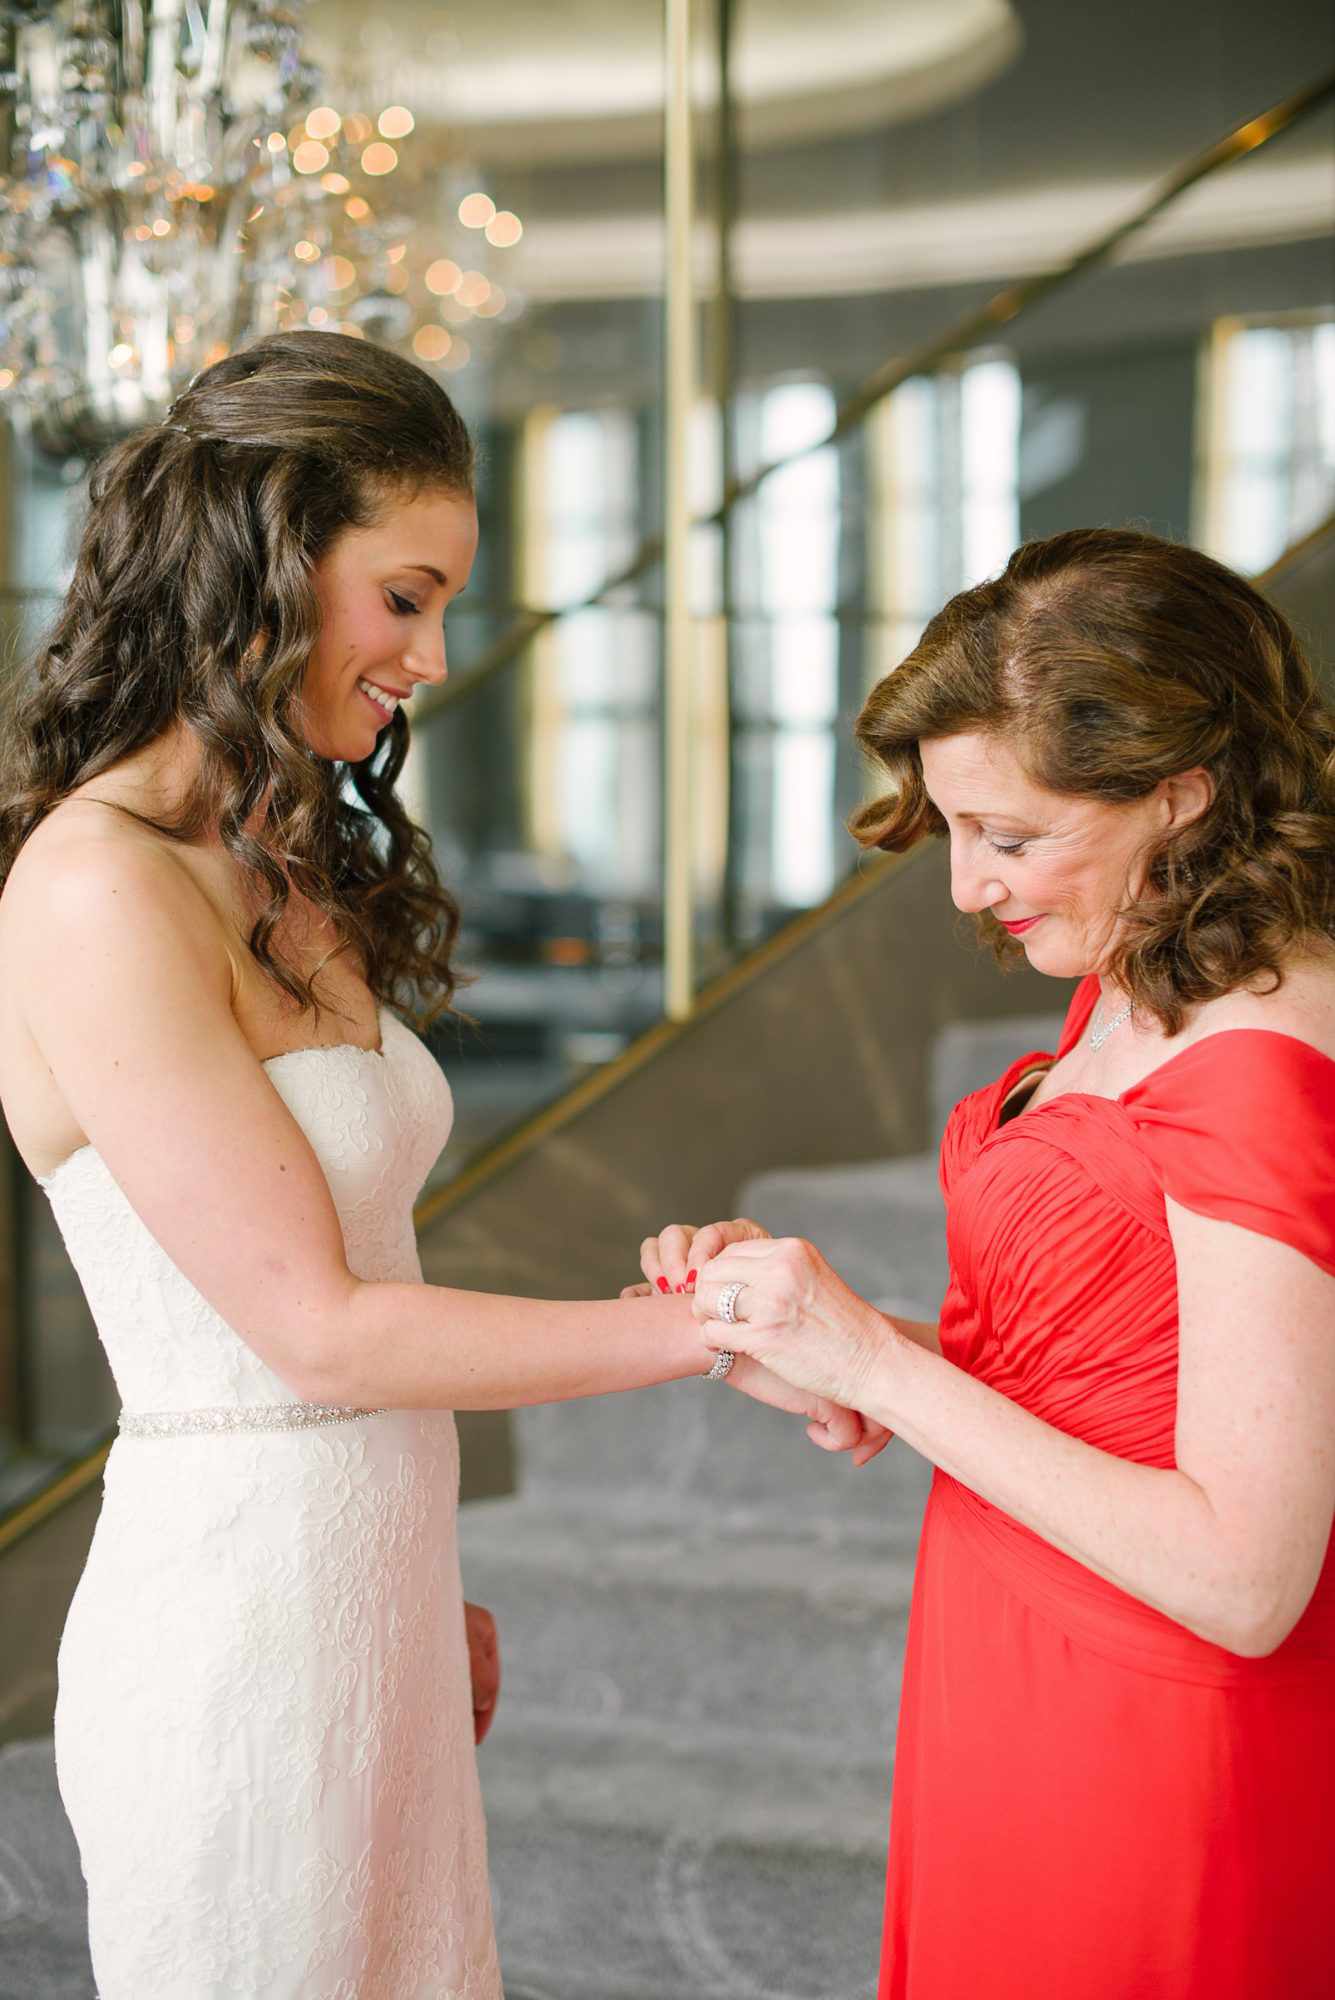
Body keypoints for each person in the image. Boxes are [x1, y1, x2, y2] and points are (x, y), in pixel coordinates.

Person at [0, 329, 889, 1999]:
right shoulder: (92, 885)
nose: (429, 652)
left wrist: (419, 1587)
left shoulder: (275, 857)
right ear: (263, 560)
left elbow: (366, 1295)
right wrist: (724, 1325)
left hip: (362, 1599)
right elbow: (319, 1332)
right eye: (402, 595)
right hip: (232, 1633)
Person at [636, 528, 1335, 1999]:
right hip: (1012, 1652)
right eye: (954, 830)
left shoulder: (1258, 1066)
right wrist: (826, 1340)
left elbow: (1247, 1575)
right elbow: (1106, 1380)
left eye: (1010, 839)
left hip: (1158, 1730)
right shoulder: (1139, 979)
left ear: (1183, 793)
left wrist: (877, 1361)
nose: (965, 889)